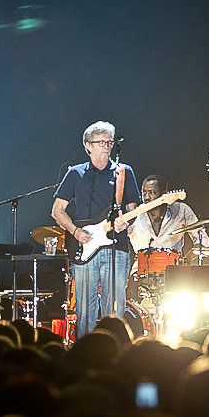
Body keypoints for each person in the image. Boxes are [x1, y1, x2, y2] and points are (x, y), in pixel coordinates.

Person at [51, 121, 141, 338]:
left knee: (115, 310)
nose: (106, 146)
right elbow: (57, 211)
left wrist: (126, 222)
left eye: (109, 142)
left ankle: (117, 352)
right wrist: (75, 231)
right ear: (88, 146)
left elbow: (133, 209)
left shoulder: (123, 172)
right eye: (101, 142)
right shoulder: (75, 173)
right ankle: (85, 354)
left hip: (116, 247)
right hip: (84, 246)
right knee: (84, 310)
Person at [127, 174, 209, 273]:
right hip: (141, 271)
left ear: (164, 194)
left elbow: (202, 239)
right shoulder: (135, 215)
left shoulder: (181, 210)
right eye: (144, 193)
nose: (146, 197)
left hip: (173, 271)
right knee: (132, 288)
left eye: (151, 193)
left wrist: (187, 259)